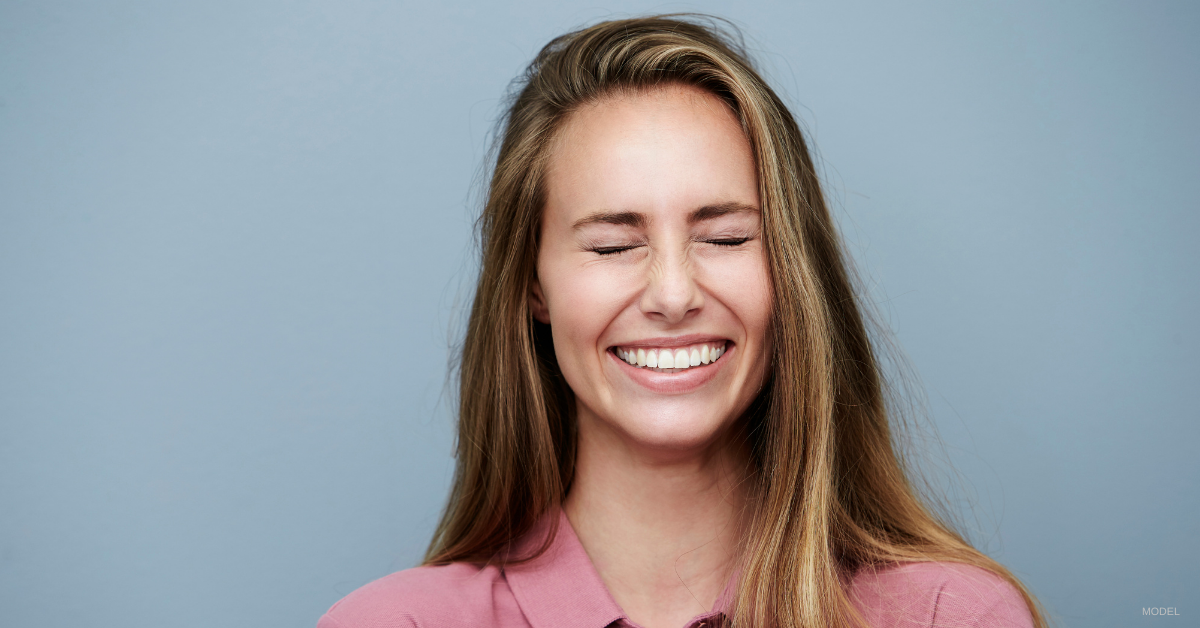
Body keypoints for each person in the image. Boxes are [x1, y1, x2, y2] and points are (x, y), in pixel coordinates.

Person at [317, 14, 1046, 628]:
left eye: (725, 238)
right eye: (612, 244)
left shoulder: (952, 615)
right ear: (532, 288)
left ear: (791, 273)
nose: (672, 293)